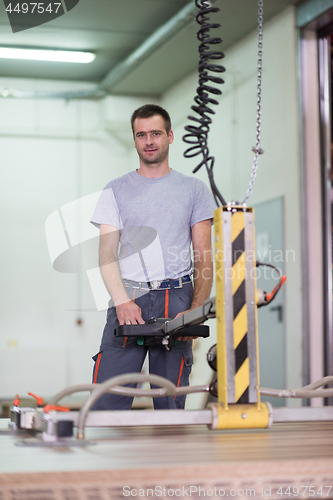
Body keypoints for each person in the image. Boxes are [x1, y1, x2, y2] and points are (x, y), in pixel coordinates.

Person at [90, 104, 216, 410]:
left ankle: (173, 458)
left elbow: (204, 256)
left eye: (156, 133)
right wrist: (121, 300)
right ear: (134, 140)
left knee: (171, 399)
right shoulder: (115, 190)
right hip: (129, 295)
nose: (149, 140)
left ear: (170, 136)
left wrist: (196, 309)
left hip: (178, 296)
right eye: (141, 134)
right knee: (109, 397)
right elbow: (106, 253)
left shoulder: (194, 190)